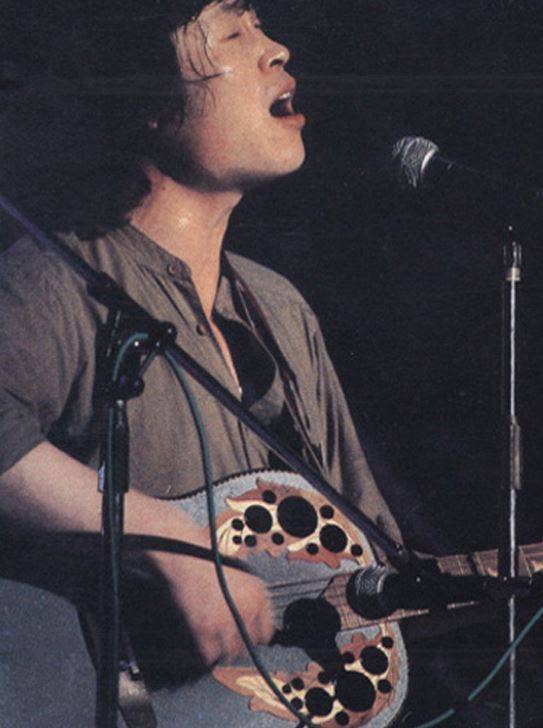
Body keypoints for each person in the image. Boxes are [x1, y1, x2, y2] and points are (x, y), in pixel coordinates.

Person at [0, 0, 401, 682]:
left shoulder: (280, 307)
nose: (276, 50)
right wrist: (167, 538)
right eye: (234, 32)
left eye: (262, 27)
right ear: (151, 102)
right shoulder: (56, 281)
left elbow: (368, 555)